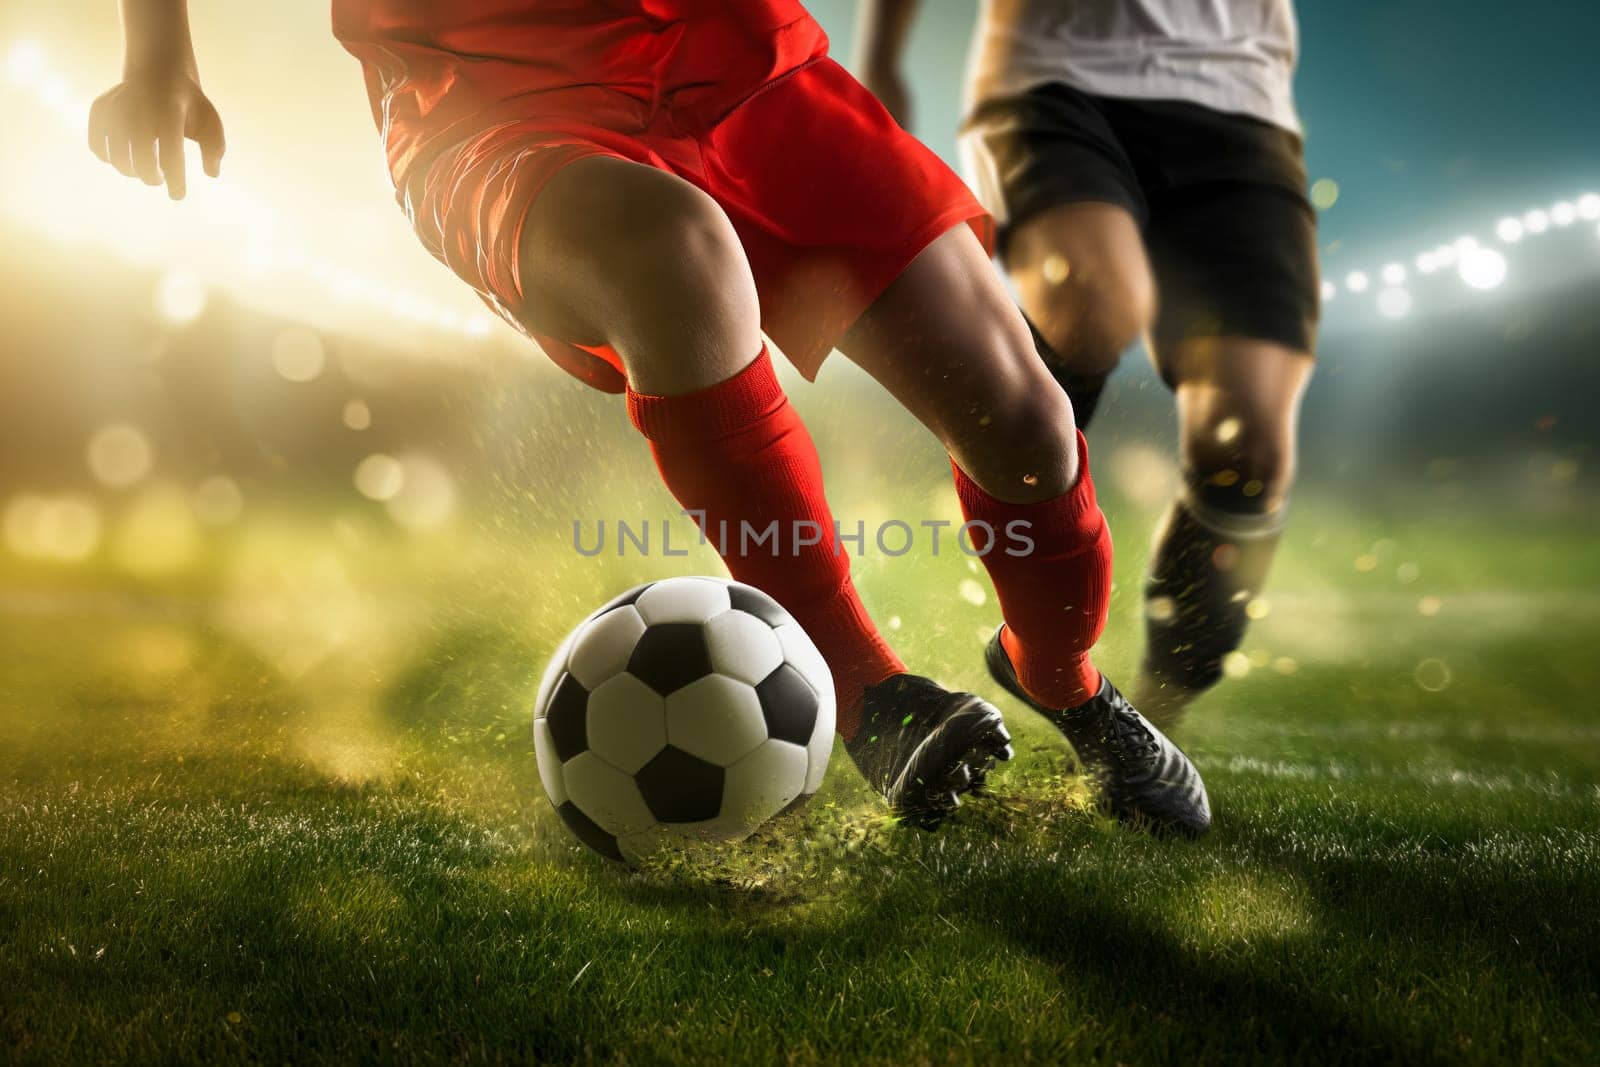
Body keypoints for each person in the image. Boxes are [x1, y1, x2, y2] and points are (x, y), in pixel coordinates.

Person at [88, 0, 1208, 834]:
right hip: (493, 104)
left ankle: (1062, 678)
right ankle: (868, 691)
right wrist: (157, 59)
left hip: (740, 59)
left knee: (1020, 420)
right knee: (673, 253)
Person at [860, 0, 1320, 730]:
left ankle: (1149, 721)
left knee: (1248, 451)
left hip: (1241, 100)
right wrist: (882, 57)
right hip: (1052, 75)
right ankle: (1036, 630)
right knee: (1091, 305)